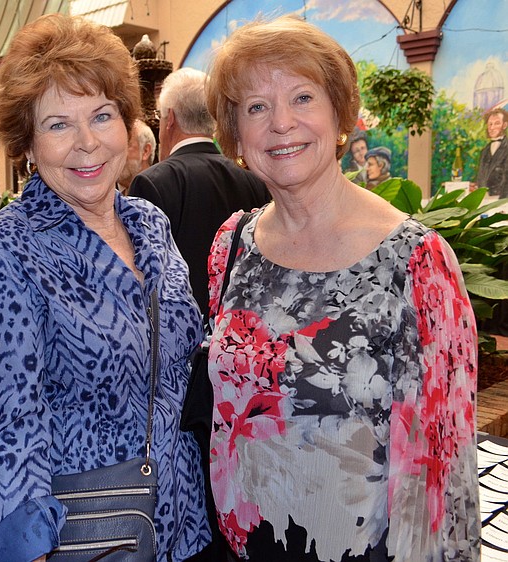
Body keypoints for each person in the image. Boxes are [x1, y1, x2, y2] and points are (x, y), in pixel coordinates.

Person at [205, 15, 479, 561]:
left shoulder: (416, 262)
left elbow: (446, 477)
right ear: (237, 135)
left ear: (341, 114)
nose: (281, 123)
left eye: (303, 97)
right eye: (257, 107)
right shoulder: (230, 244)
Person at [0, 13, 210, 562]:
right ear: (26, 143)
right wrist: (29, 550)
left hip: (180, 522)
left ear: (128, 123)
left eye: (102, 116)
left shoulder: (150, 223)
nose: (87, 143)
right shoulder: (7, 248)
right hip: (82, 537)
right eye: (58, 124)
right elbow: (8, 427)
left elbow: (180, 353)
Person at [129, 67, 270, 319]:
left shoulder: (152, 183)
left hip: (179, 334)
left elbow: (142, 277)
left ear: (169, 119)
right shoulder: (254, 178)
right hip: (241, 330)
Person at [117, 119, 156, 194]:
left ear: (145, 151)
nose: (116, 152)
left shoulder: (159, 194)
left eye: (126, 144)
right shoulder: (107, 196)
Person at [476, 108, 508, 197]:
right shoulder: (485, 150)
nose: (492, 128)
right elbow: (480, 177)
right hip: (484, 200)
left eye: (497, 123)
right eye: (490, 124)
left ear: (504, 125)